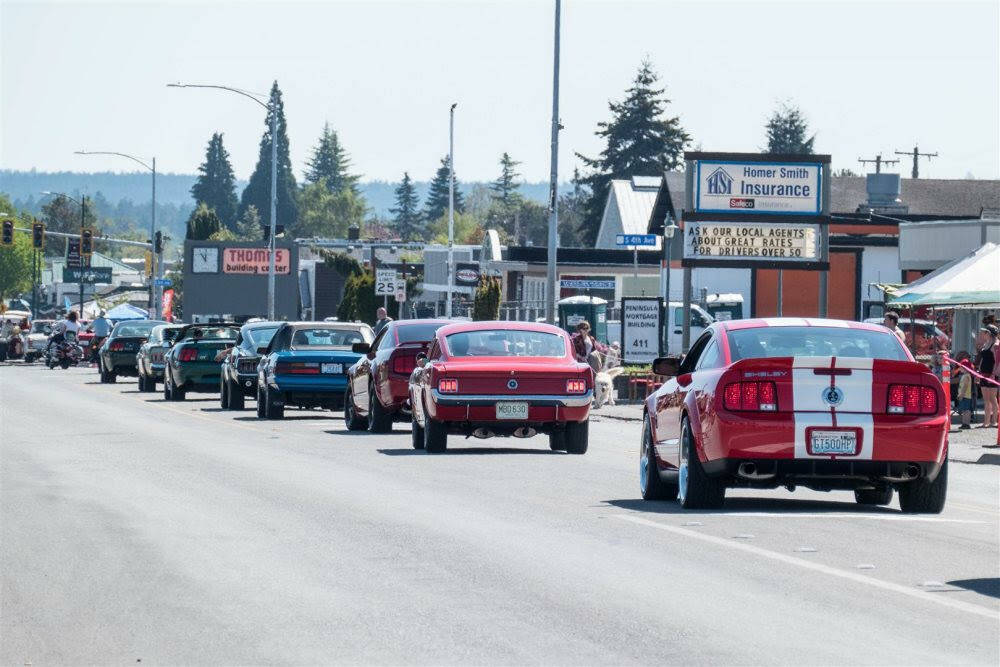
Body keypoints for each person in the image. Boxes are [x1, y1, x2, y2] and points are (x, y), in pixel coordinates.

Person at [976, 324, 999, 428]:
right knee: (986, 400)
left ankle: (994, 421)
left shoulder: (996, 345)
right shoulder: (986, 344)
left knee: (992, 399)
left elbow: (997, 362)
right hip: (983, 374)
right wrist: (978, 373)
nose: (983, 334)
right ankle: (986, 422)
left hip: (992, 375)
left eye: (984, 332)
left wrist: (993, 374)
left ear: (989, 333)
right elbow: (983, 360)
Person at [956, 358, 975, 430]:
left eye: (961, 367)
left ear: (965, 368)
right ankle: (964, 423)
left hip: (965, 396)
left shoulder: (967, 376)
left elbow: (965, 386)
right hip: (964, 396)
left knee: (966, 410)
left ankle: (966, 423)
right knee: (964, 410)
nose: (960, 368)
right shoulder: (965, 375)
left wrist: (961, 394)